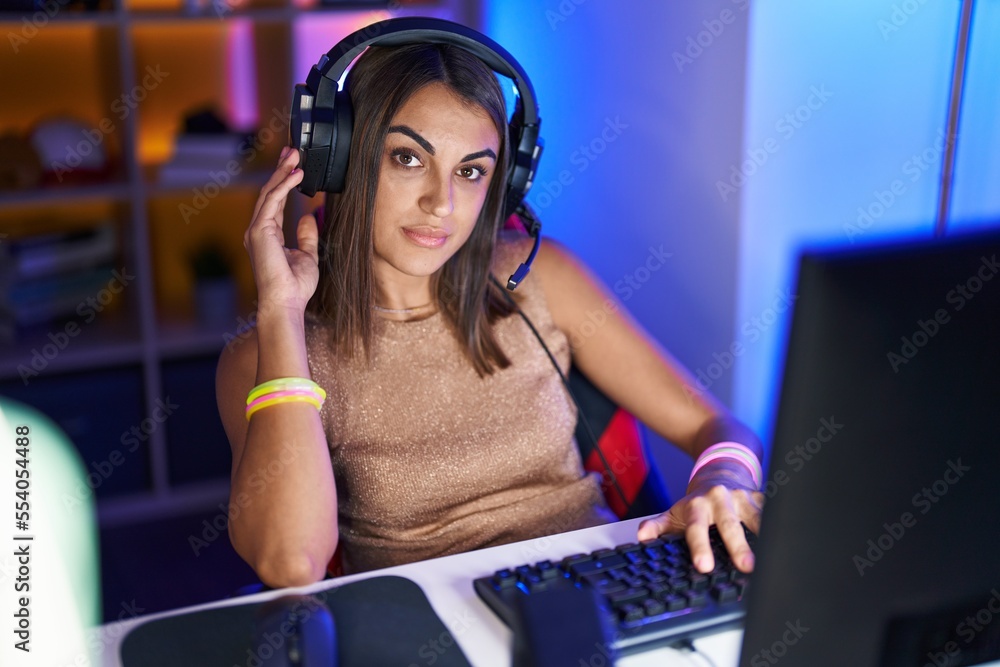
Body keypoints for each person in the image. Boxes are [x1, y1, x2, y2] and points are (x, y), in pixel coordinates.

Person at [216, 37, 764, 589]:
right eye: (408, 158)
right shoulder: (266, 353)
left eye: (471, 171)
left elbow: (716, 425)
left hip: (598, 596)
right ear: (337, 157)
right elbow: (290, 565)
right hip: (433, 634)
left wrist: (722, 475)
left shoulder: (540, 277)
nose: (442, 204)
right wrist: (282, 312)